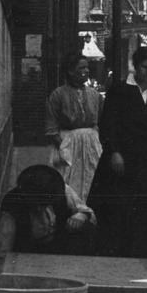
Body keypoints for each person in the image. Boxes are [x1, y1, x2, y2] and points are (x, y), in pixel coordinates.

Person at [88, 45, 147, 260]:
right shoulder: (119, 90)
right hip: (123, 162)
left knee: (145, 209)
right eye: (145, 67)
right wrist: (114, 152)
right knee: (120, 207)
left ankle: (143, 253)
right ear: (135, 67)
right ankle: (118, 252)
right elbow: (108, 124)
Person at [0, 164, 96, 268]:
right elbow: (1, 251)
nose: (41, 209)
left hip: (59, 248)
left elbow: (88, 213)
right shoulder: (13, 206)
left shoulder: (62, 190)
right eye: (38, 205)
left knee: (86, 229)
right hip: (30, 254)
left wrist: (80, 216)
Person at [45, 52, 105, 201]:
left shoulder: (94, 95)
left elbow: (103, 122)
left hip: (92, 146)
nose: (86, 71)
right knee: (69, 183)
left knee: (92, 181)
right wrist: (65, 148)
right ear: (71, 71)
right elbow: (51, 128)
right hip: (68, 144)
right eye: (81, 68)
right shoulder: (57, 95)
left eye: (87, 67)